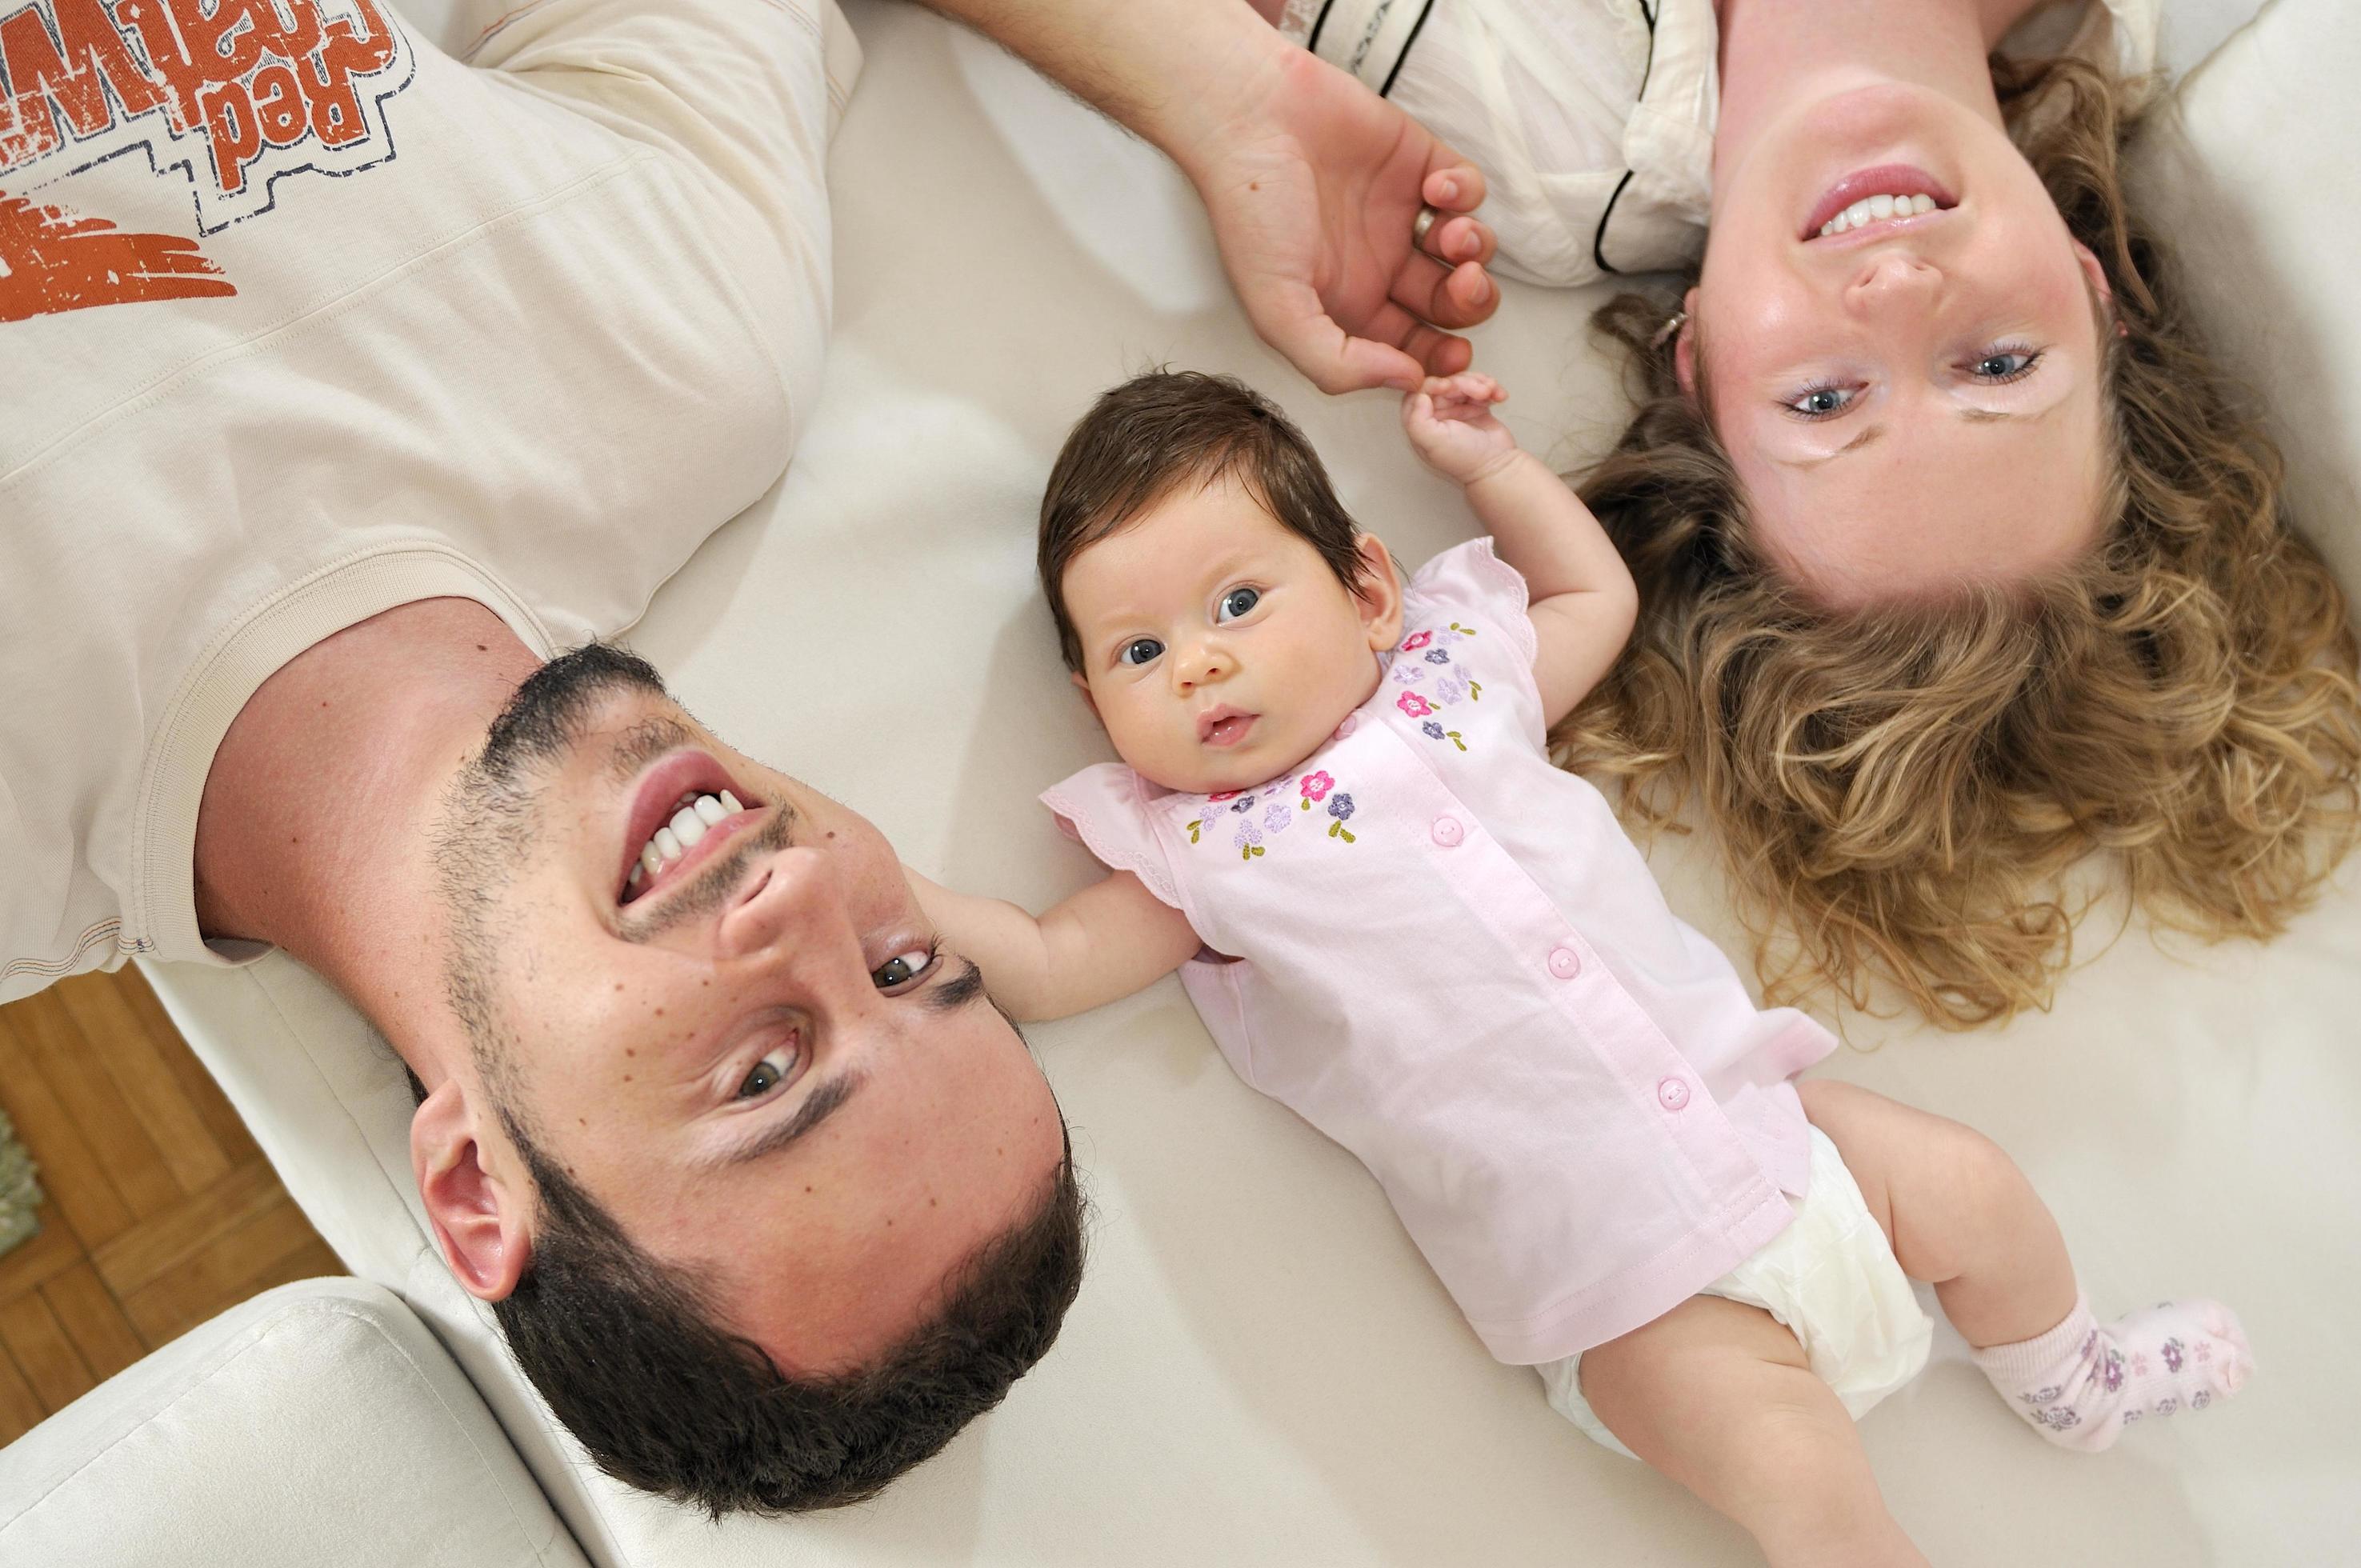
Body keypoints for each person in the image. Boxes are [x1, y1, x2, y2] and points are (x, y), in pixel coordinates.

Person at [0, 0, 1504, 1513]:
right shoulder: (679, 360)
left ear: (473, 1184)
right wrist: (1214, 80)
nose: (803, 899)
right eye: (910, 968)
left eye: (768, 1069)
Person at [911, 368, 2253, 1563]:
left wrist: (1488, 467)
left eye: (1240, 601)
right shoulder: (1198, 855)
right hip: (1623, 1289)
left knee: (1974, 1185)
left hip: (1777, 1128)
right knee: (1807, 1488)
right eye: (1139, 653)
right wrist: (890, 891)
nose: (1199, 661)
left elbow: (1592, 592)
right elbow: (1040, 961)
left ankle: (2073, 1373)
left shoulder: (1456, 678)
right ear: (1100, 706)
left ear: (1371, 592)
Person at [1262, 0, 2361, 1027]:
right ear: (2092, 285)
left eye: (1826, 401)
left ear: (1697, 361)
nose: (1892, 290)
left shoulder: (1526, 139)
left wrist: (1199, 89)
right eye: (1999, 364)